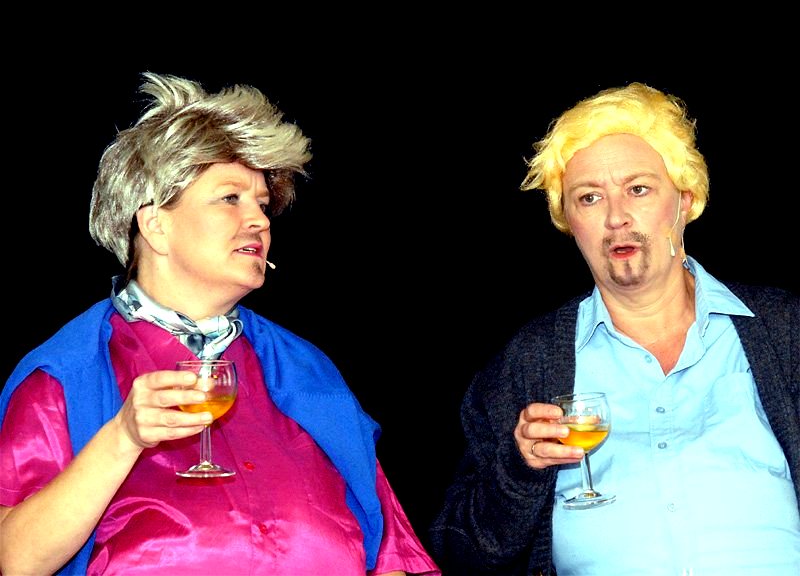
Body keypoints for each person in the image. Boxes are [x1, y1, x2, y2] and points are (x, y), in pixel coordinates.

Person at [0, 72, 440, 576]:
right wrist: (123, 436)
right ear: (155, 225)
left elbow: (389, 555)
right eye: (230, 198)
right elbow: (14, 560)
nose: (260, 221)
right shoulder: (66, 374)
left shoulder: (307, 370)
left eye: (262, 204)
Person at [429, 82, 799, 574]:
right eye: (589, 198)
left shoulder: (783, 329)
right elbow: (456, 551)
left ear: (685, 200)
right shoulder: (528, 363)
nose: (616, 218)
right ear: (569, 222)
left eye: (638, 189)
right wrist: (520, 470)